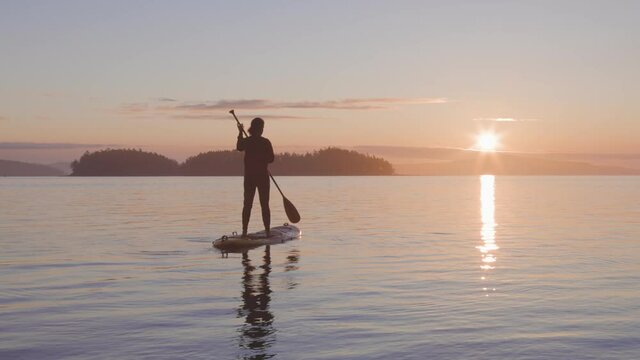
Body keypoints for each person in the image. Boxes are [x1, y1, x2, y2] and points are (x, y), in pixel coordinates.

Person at [236, 117, 275, 238]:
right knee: (265, 205)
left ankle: (244, 231)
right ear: (260, 129)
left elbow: (239, 146)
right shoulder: (265, 142)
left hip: (249, 178)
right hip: (262, 177)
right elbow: (271, 159)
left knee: (247, 205)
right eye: (262, 127)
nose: (263, 129)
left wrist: (239, 133)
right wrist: (262, 158)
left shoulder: (248, 141)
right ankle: (267, 231)